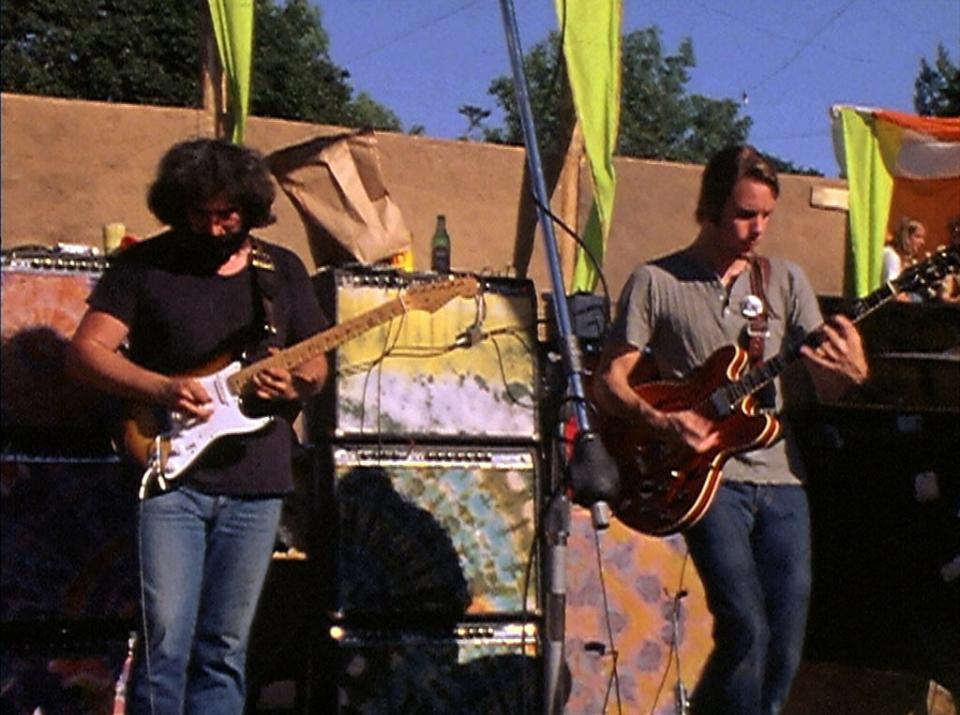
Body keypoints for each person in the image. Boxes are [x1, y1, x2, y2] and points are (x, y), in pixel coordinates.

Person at [592, 145, 869, 715]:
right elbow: (609, 383)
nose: (757, 229)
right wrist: (664, 420)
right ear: (711, 208)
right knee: (746, 625)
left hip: (782, 478)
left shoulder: (784, 281)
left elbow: (827, 385)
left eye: (767, 216)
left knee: (787, 635)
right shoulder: (657, 282)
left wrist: (854, 372)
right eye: (745, 215)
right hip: (706, 481)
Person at [66, 138, 330, 714]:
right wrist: (160, 387)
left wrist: (298, 385)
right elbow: (87, 352)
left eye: (227, 215)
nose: (213, 229)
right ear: (176, 206)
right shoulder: (143, 266)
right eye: (200, 214)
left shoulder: (279, 270)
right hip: (170, 479)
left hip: (257, 484)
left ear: (251, 207)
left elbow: (314, 362)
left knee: (226, 647)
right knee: (166, 643)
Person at [881, 217, 927, 290]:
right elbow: (891, 289)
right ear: (906, 237)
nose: (922, 242)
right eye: (918, 237)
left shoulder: (908, 261)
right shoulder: (891, 256)